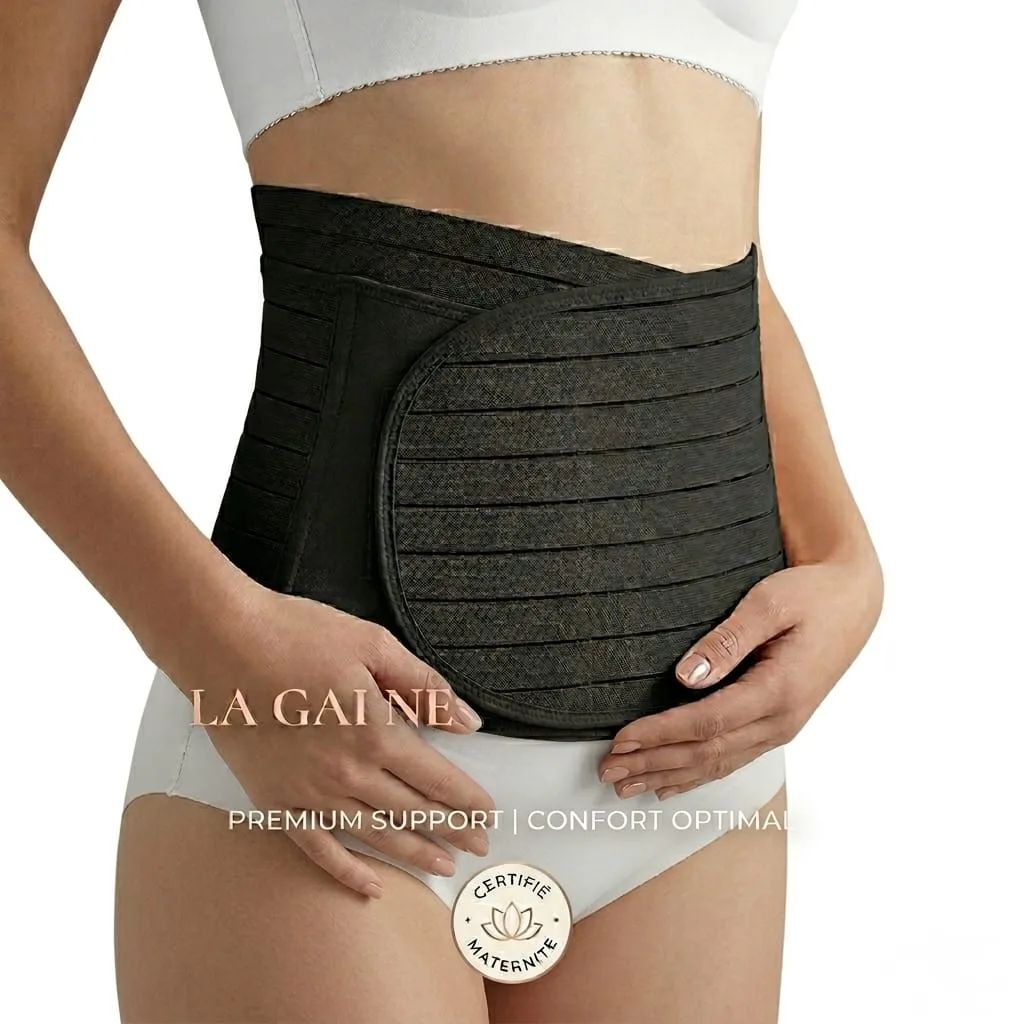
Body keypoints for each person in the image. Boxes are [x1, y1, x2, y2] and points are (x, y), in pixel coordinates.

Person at [0, 2, 883, 1022]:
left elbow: (703, 248)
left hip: (694, 781)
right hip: (326, 759)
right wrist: (212, 637)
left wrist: (843, 553)